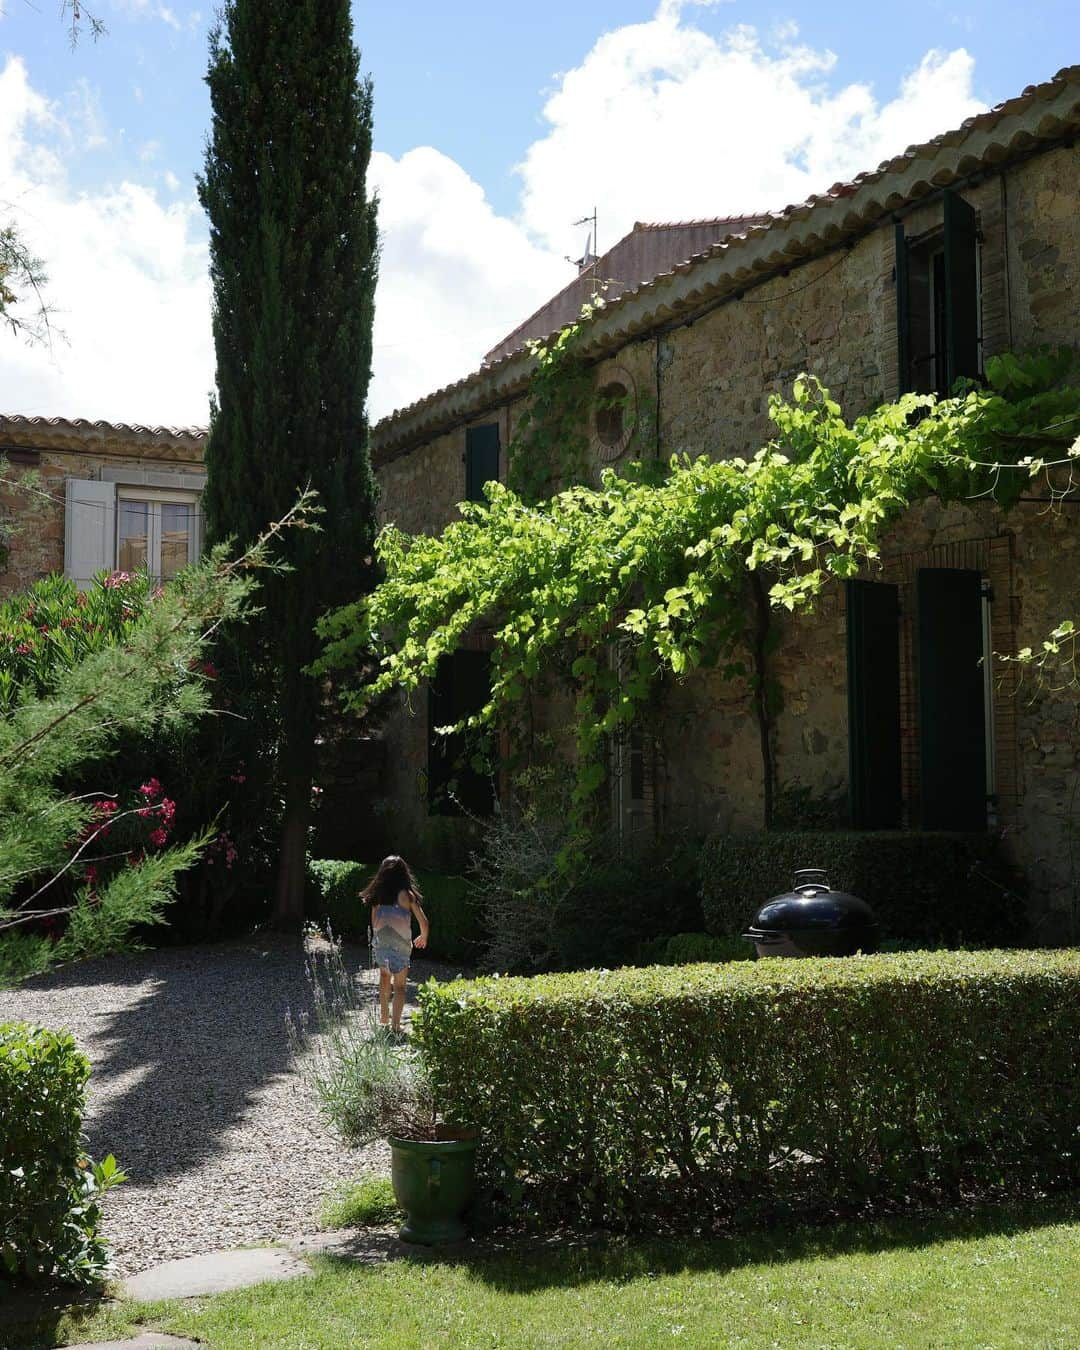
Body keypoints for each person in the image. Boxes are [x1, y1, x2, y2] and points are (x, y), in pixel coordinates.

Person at [361, 855, 429, 1033]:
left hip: (382, 941)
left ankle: (384, 1016)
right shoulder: (408, 896)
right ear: (404, 874)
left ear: (382, 873)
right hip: (401, 943)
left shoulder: (378, 895)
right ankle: (396, 1025)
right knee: (400, 986)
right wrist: (424, 936)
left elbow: (374, 922)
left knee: (384, 978)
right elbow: (423, 921)